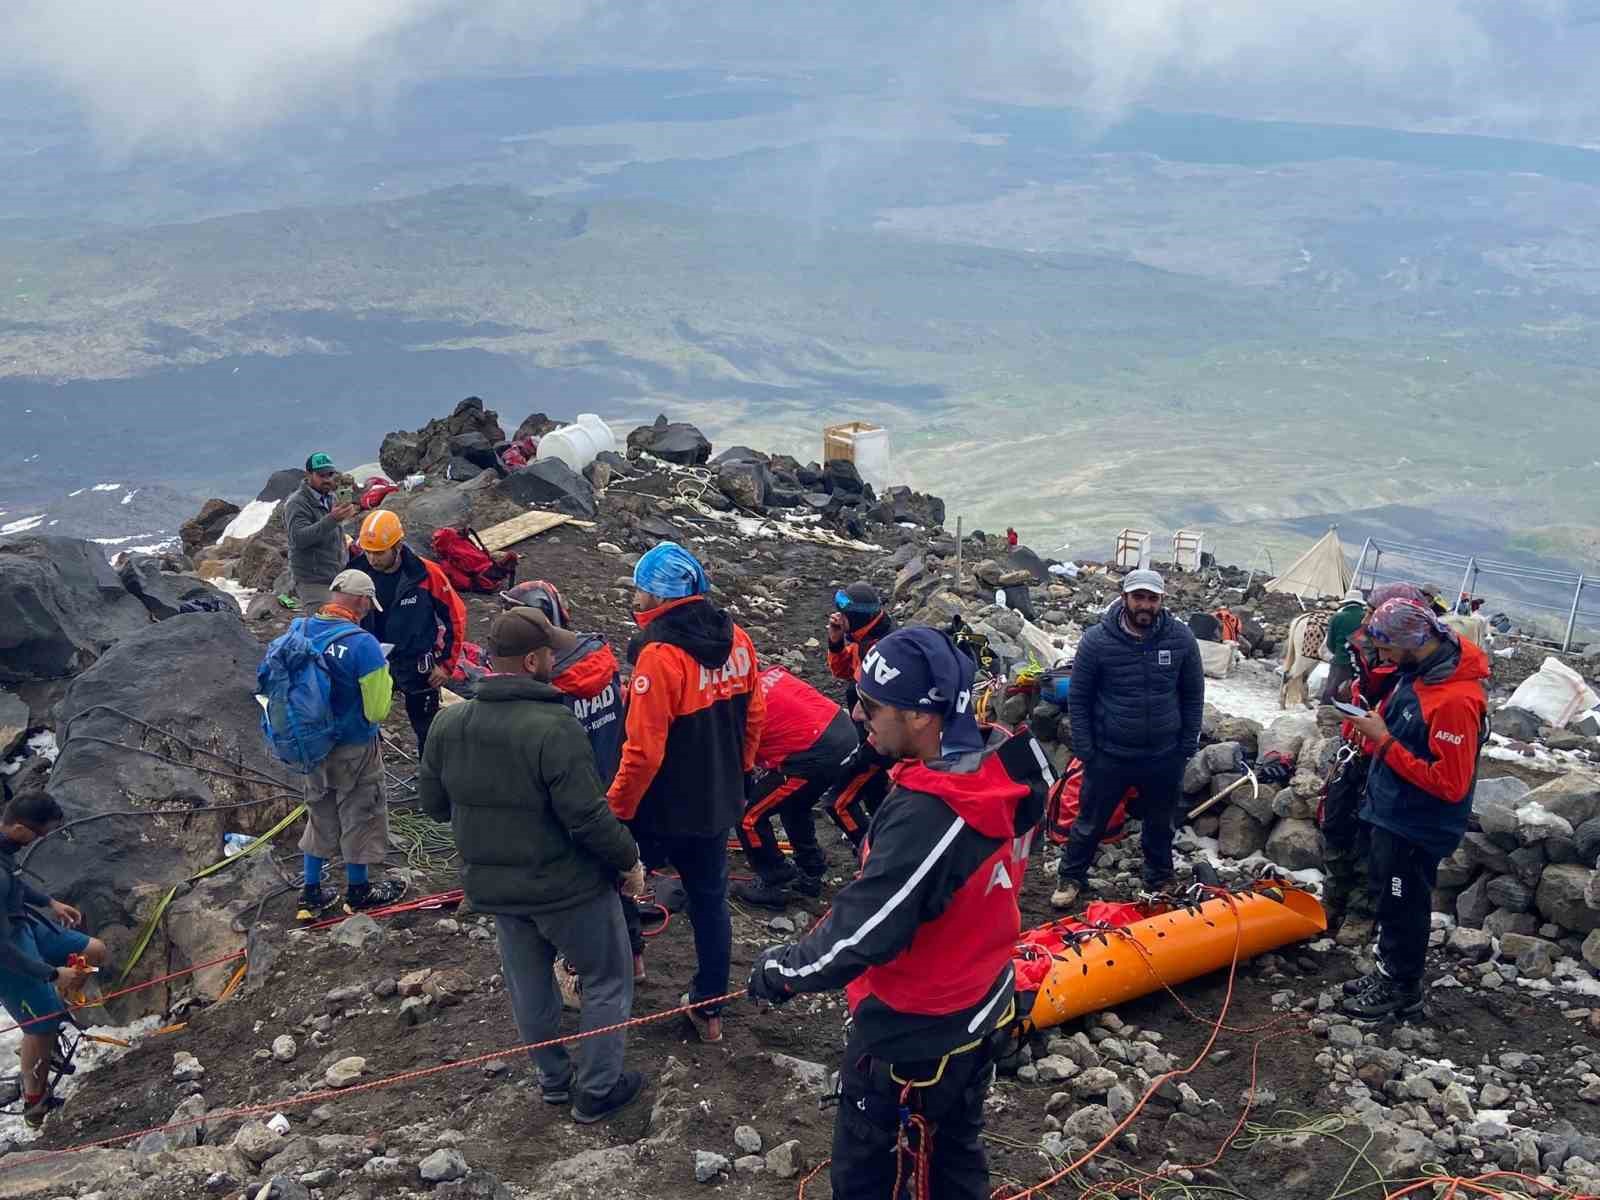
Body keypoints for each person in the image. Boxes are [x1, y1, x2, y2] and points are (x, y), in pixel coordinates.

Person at [747, 627, 1049, 1200]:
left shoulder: (932, 814)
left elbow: (866, 930)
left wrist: (783, 971)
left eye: (871, 705)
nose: (857, 715)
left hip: (915, 1032)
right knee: (955, 1155)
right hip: (982, 997)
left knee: (867, 1175)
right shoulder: (997, 768)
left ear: (921, 717)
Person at [419, 609, 648, 1123]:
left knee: (530, 985)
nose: (556, 659)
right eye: (550, 652)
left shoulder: (448, 722)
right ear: (531, 660)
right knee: (608, 978)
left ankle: (553, 1081)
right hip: (567, 888)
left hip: (497, 887)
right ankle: (597, 1089)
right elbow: (588, 818)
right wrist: (629, 860)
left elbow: (432, 806)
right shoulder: (554, 725)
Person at [608, 542, 765, 1044]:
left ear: (657, 597)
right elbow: (755, 716)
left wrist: (616, 810)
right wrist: (738, 774)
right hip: (717, 801)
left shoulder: (658, 656)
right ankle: (709, 1008)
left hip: (660, 807)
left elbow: (643, 753)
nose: (635, 598)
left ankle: (629, 963)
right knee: (710, 901)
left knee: (620, 879)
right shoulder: (738, 638)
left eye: (639, 590)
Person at [1341, 598, 1488, 1019]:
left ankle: (1403, 988)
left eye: (1387, 648)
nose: (1382, 658)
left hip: (1416, 824)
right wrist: (1371, 731)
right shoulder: (1417, 675)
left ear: (1411, 641)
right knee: (1390, 898)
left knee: (1406, 902)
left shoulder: (1455, 700)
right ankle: (1389, 970)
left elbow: (1450, 783)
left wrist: (1384, 741)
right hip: (1393, 812)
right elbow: (1406, 736)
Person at [500, 583, 643, 983]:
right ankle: (633, 957)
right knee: (619, 869)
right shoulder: (599, 657)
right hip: (614, 786)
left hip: (568, 801)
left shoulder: (548, 688)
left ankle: (585, 971)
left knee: (584, 890)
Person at [1051, 568, 1204, 910]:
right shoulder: (1097, 641)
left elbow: (1193, 695)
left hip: (1164, 754)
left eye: (1152, 598)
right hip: (1110, 753)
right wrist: (1087, 750)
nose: (1145, 605)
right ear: (1124, 598)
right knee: (1090, 820)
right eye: (1138, 597)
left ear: (1162, 601)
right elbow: (1079, 698)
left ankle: (1160, 877)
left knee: (1161, 822)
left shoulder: (1180, 639)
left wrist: (1186, 744)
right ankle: (1071, 876)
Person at [294, 569, 407, 920]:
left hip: (310, 743)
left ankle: (311, 892)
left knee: (319, 809)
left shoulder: (300, 630)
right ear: (360, 601)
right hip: (354, 746)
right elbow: (377, 710)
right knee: (362, 812)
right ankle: (358, 891)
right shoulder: (364, 645)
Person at [1321, 583, 1424, 943]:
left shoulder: (1413, 665)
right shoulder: (1363, 652)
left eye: (1373, 611)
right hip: (1355, 747)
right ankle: (1334, 897)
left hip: (1385, 754)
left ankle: (1362, 911)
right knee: (1336, 822)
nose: (1367, 618)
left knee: (1371, 833)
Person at [0, 790, 107, 1129]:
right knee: (42, 1022)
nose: (40, 840)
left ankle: (47, 1025)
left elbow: (14, 884)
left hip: (22, 924)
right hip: (8, 954)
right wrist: (51, 974)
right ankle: (35, 1101)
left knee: (94, 952)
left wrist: (49, 901)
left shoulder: (6, 846)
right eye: (38, 834)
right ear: (18, 828)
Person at [732, 664, 858, 908]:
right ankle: (811, 870)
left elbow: (739, 769)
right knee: (795, 804)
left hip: (815, 754)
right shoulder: (770, 675)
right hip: (842, 730)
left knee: (749, 817)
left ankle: (774, 880)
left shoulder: (736, 715)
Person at [347, 510, 467, 756]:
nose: (372, 559)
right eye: (367, 551)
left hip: (417, 664)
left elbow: (455, 615)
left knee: (428, 731)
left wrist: (446, 665)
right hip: (373, 661)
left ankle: (430, 782)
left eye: (379, 552)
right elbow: (341, 615)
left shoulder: (425, 574)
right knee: (362, 723)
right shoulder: (357, 574)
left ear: (397, 546)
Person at [824, 581, 896, 845]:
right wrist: (835, 642)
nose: (837, 618)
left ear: (853, 617)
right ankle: (883, 844)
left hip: (878, 741)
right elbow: (843, 672)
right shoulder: (863, 639)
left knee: (838, 801)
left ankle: (873, 854)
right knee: (874, 797)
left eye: (842, 615)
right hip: (866, 734)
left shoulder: (881, 648)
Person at [284, 452, 357, 606]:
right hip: (312, 580)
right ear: (309, 474)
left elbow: (334, 532)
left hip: (335, 576)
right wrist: (332, 519)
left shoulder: (331, 498)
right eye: (321, 475)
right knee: (327, 623)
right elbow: (299, 539)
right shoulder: (297, 503)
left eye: (330, 474)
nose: (327, 479)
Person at [1322, 588, 1369, 704]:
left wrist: (1338, 653)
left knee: (1331, 689)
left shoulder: (1337, 617)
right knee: (1356, 692)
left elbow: (1330, 643)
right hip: (1361, 664)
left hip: (1340, 661)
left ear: (1347, 602)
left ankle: (1326, 713)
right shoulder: (1367, 618)